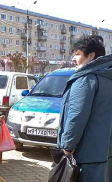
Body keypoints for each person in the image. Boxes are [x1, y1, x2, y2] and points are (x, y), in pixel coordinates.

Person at [57, 35, 112, 181]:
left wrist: (68, 145)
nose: (73, 59)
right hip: (105, 153)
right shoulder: (107, 77)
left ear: (91, 55)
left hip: (85, 155)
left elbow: (77, 115)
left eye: (78, 54)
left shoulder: (85, 79)